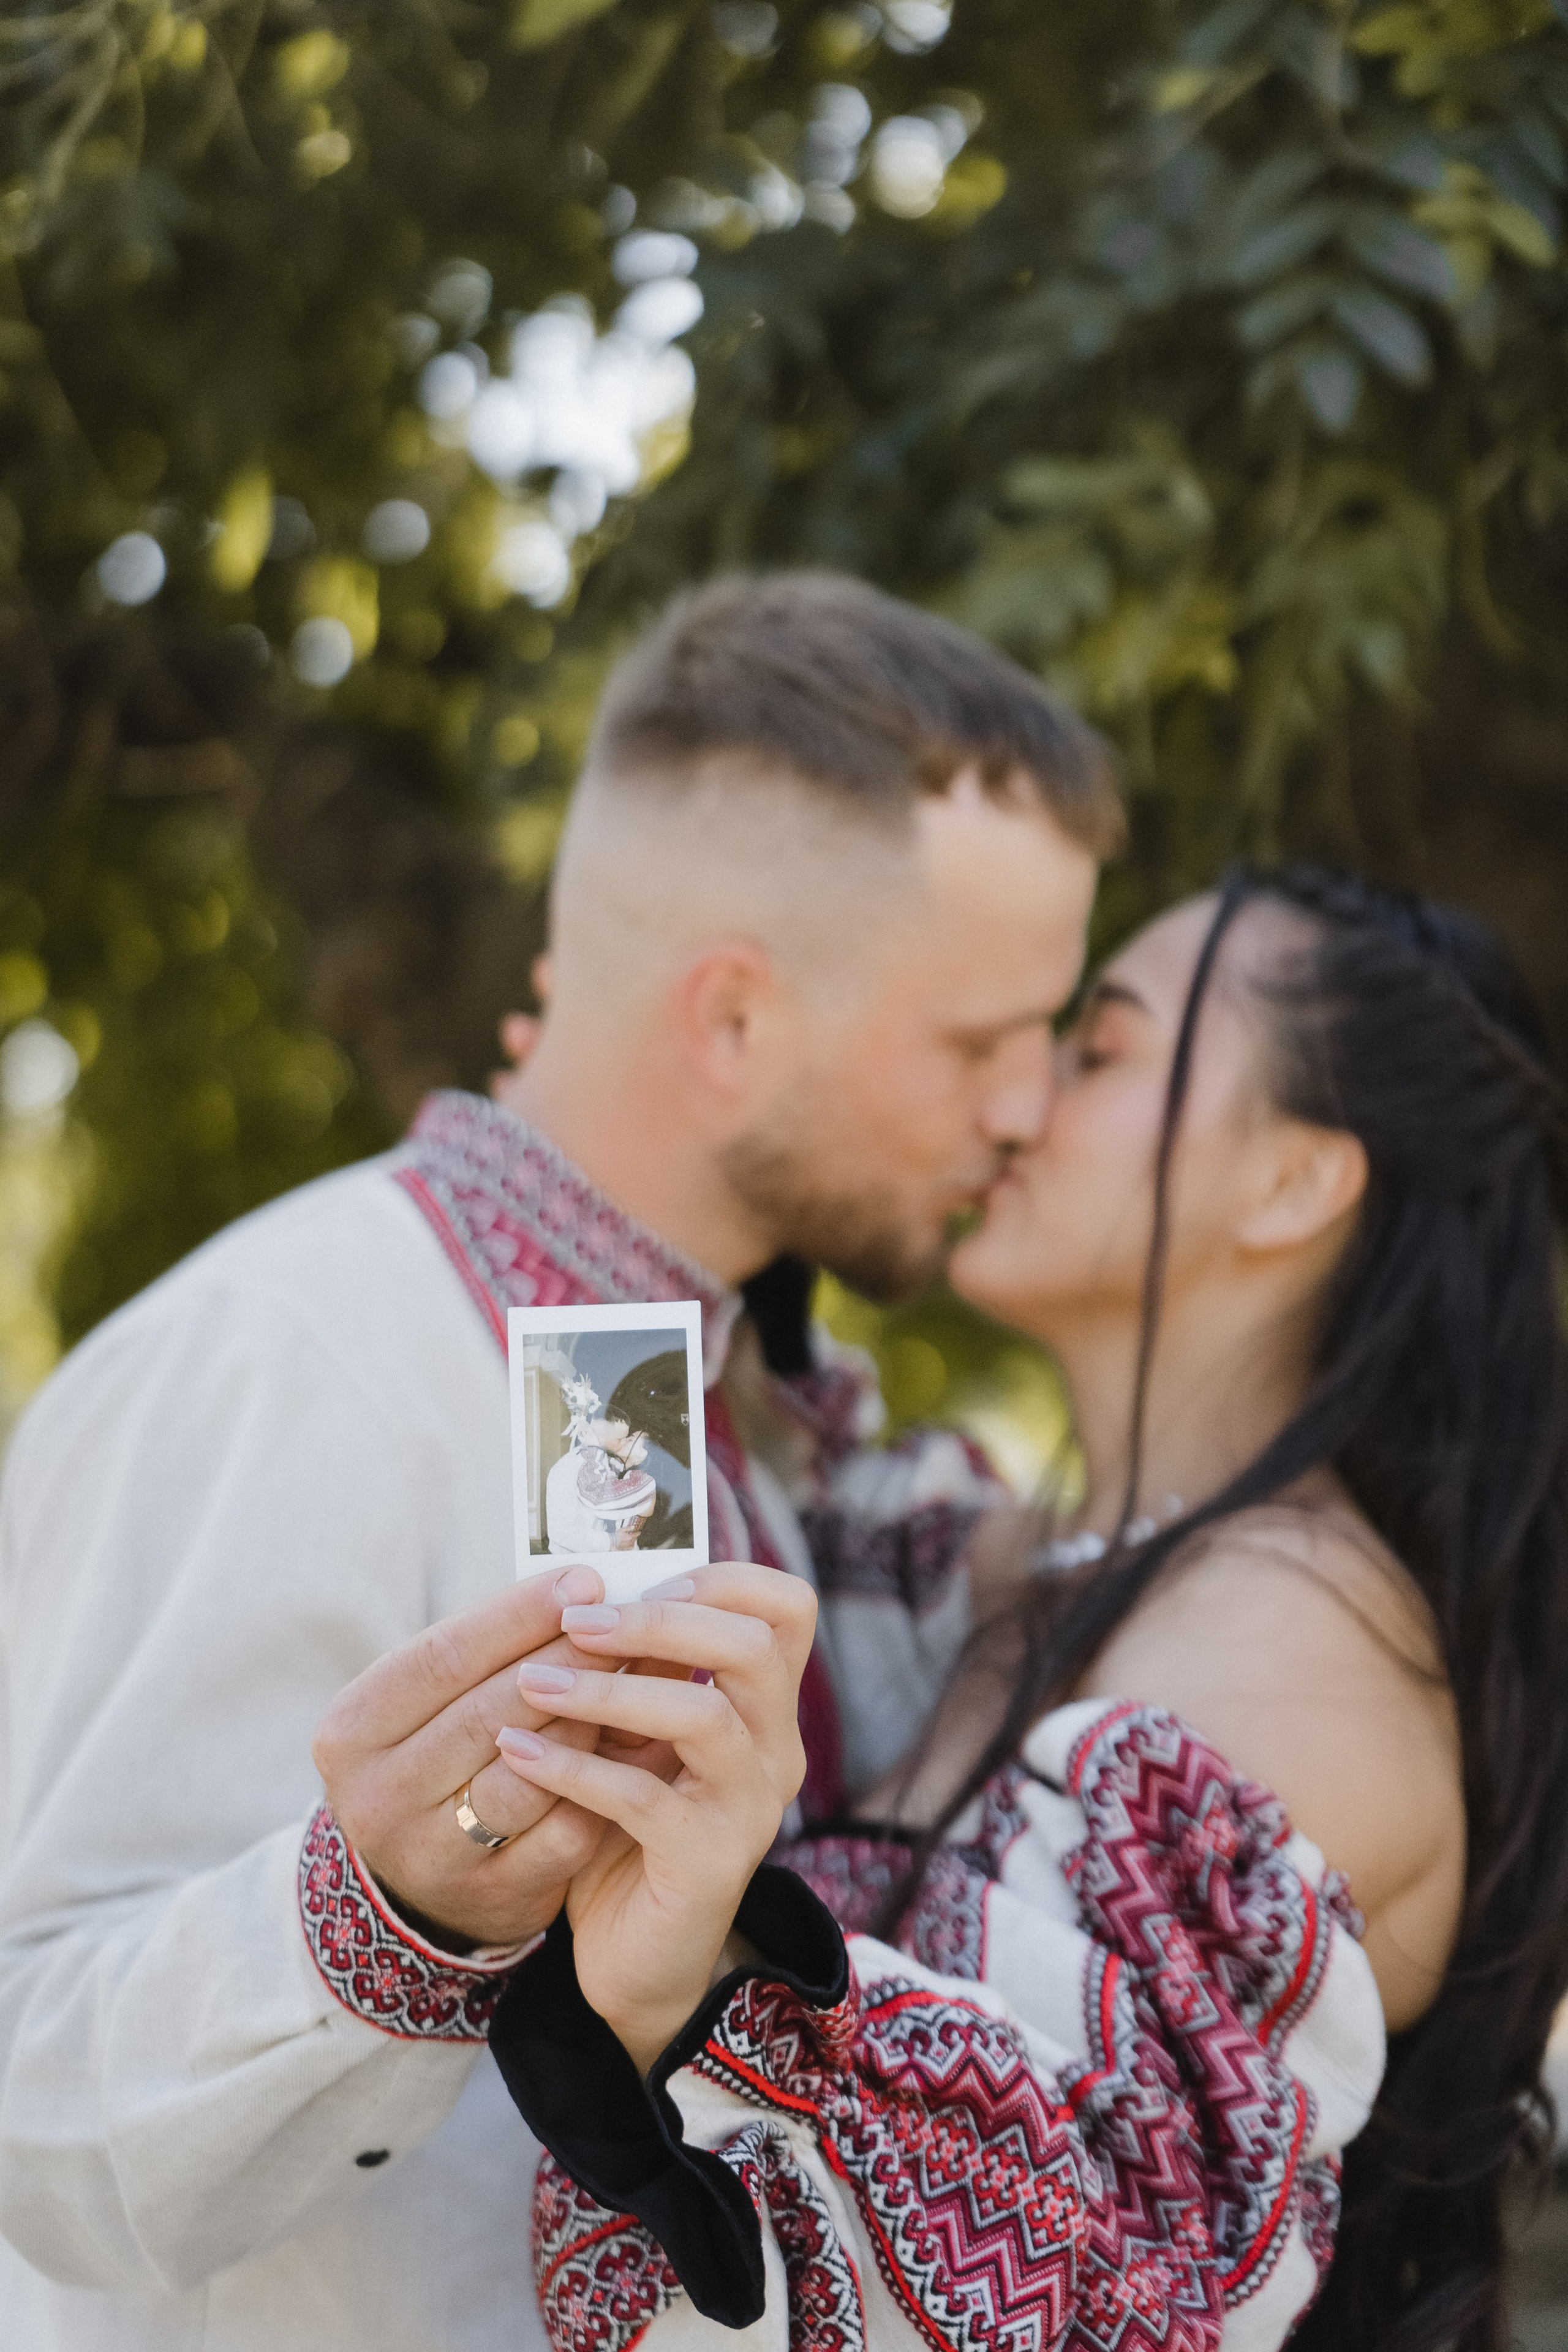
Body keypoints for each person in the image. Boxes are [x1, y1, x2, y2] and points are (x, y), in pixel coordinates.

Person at [0, 573, 1121, 2352]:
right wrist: (381, 1915)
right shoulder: (286, 1358)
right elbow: (24, 2105)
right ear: (737, 1019)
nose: (1027, 1107)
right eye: (982, 1042)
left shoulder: (770, 1433)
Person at [492, 869, 1568, 2352]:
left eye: (1098, 1048)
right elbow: (689, 1503)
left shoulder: (1286, 1657)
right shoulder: (1001, 1560)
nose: (1014, 1099)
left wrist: (659, 1995)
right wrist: (626, 1132)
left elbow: (1030, 2306)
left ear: (1291, 1182)